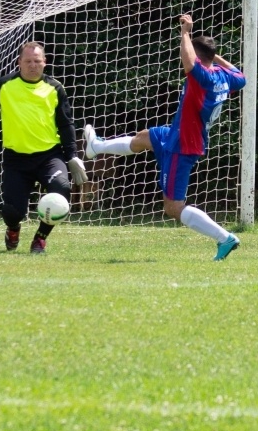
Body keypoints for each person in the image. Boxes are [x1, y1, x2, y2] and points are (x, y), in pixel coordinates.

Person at [82, 14, 246, 260]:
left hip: (183, 145)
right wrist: (212, 55)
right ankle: (97, 146)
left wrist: (185, 33)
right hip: (176, 134)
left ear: (197, 57)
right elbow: (240, 75)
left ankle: (225, 238)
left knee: (173, 207)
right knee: (144, 137)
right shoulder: (224, 77)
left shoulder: (203, 77)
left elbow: (189, 63)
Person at [0, 41, 88, 254]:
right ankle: (13, 229)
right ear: (19, 62)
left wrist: (72, 156)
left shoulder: (55, 88)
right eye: (28, 61)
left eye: (37, 61)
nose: (32, 65)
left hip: (49, 156)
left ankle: (40, 239)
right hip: (16, 159)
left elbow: (66, 124)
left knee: (61, 190)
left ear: (44, 62)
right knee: (12, 212)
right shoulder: (5, 85)